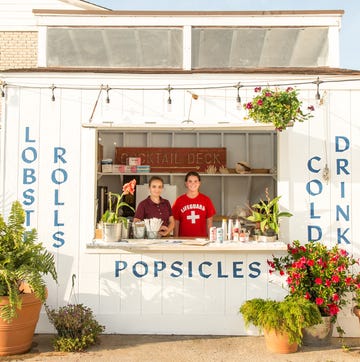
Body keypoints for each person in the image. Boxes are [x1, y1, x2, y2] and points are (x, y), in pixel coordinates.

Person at [172, 171, 216, 238]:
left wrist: (210, 239)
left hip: (202, 240)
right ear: (186, 183)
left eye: (195, 181)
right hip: (184, 240)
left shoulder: (206, 200)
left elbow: (209, 222)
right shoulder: (179, 201)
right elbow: (176, 223)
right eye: (190, 181)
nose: (193, 183)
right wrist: (176, 240)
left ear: (199, 183)